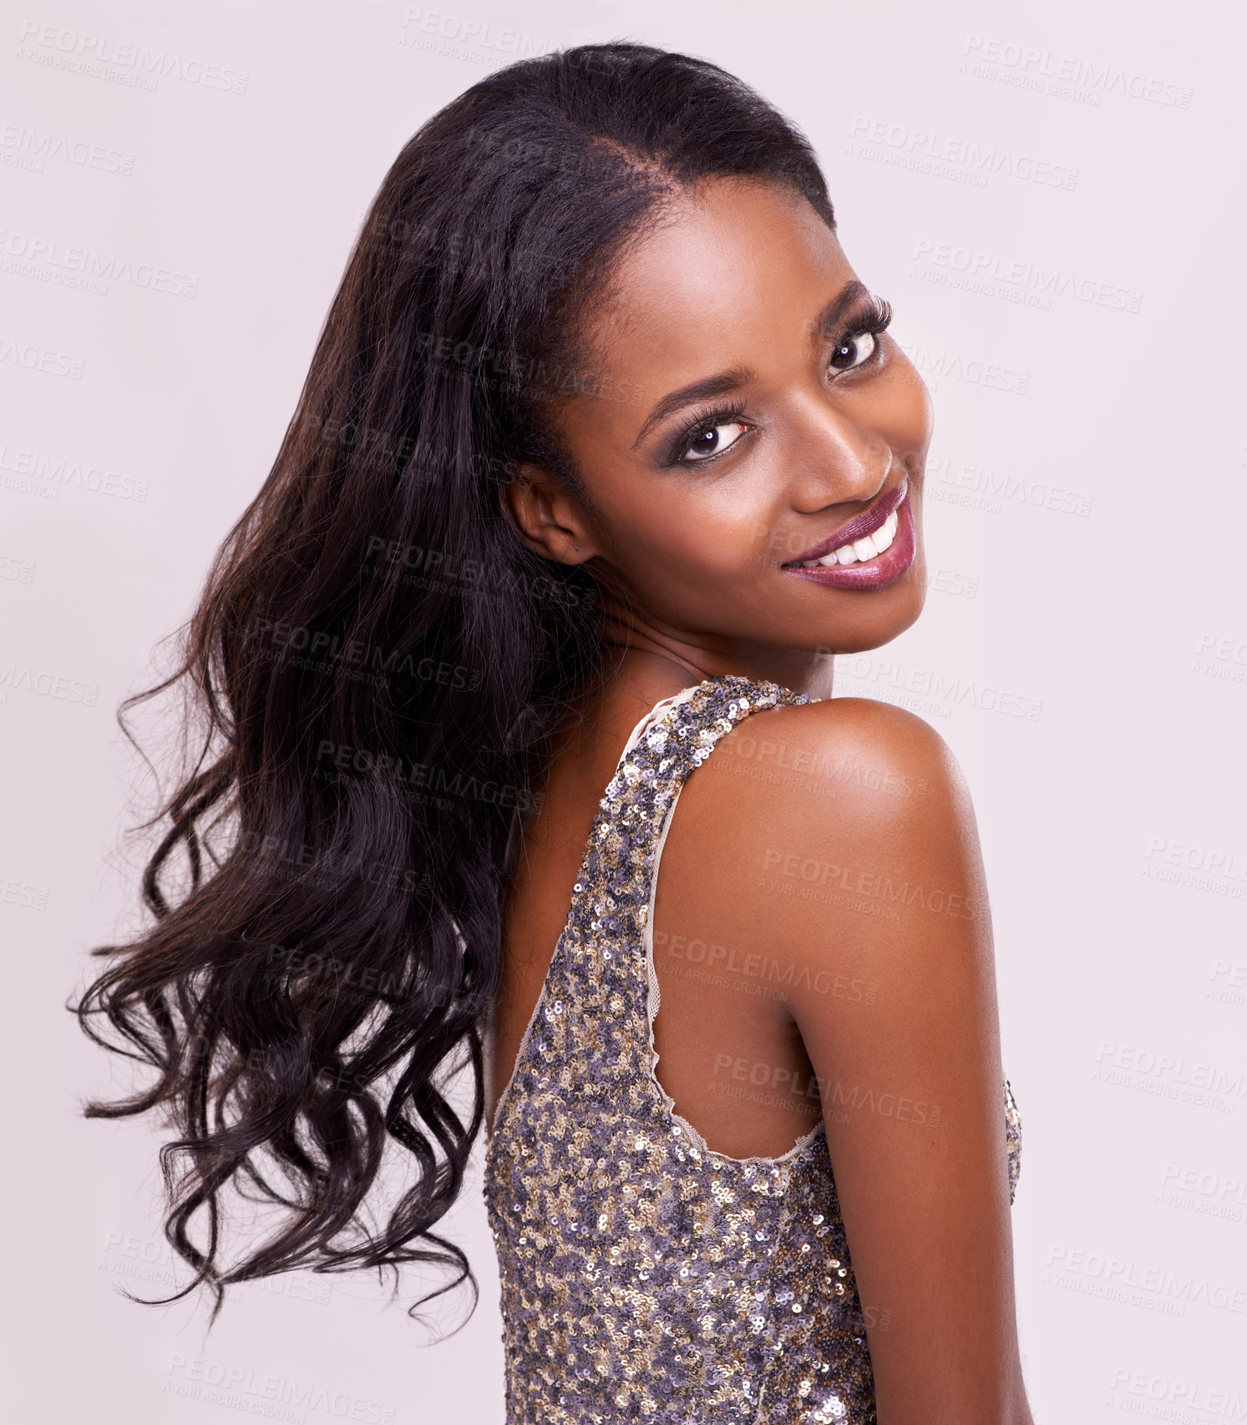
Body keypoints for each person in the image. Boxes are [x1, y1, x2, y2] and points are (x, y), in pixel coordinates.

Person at [74, 41, 1033, 1425]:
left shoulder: (557, 781)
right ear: (549, 508)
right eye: (711, 437)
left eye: (849, 347)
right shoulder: (839, 794)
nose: (851, 463)